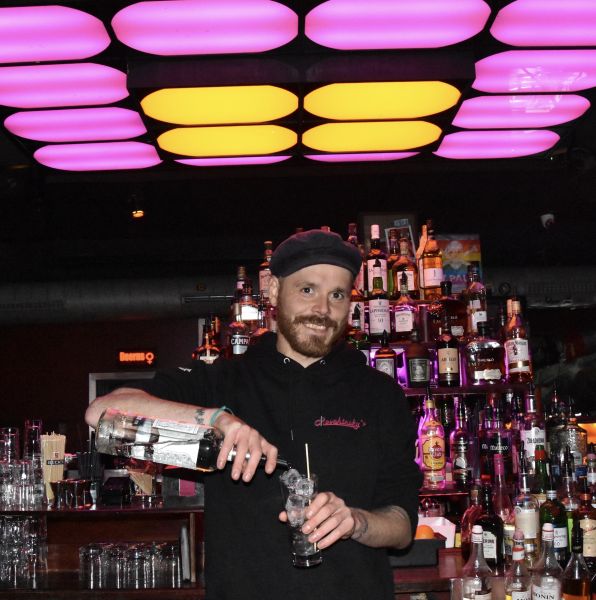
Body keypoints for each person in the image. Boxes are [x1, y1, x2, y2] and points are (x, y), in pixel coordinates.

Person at [86, 229, 422, 600]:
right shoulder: (222, 382)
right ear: (274, 292)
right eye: (307, 290)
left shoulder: (380, 394)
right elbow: (100, 413)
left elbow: (402, 525)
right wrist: (216, 419)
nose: (323, 310)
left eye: (337, 295)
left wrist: (355, 521)